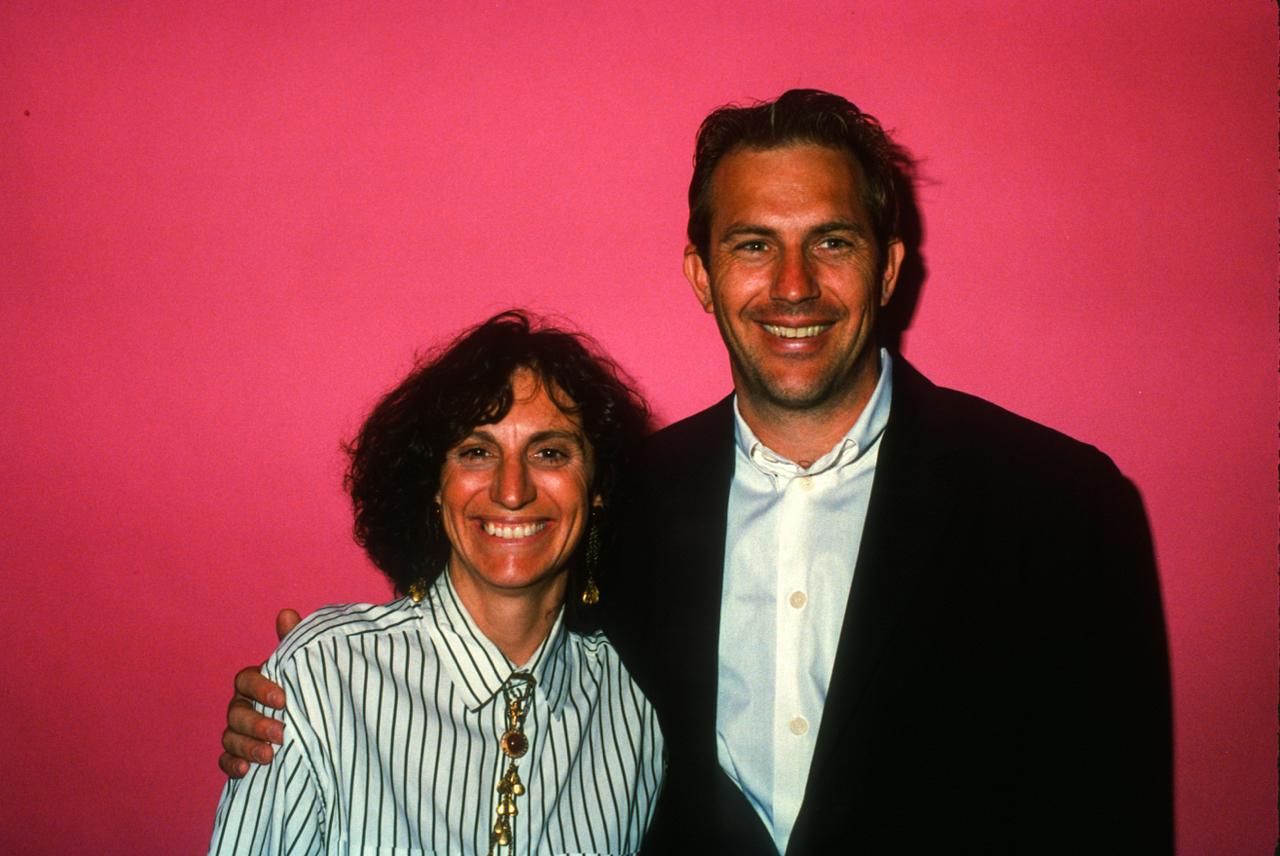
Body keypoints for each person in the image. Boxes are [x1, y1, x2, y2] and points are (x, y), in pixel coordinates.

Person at [221, 90, 1173, 854]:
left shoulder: (1062, 507)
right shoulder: (628, 500)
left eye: (831, 242)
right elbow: (506, 625)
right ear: (701, 275)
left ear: (886, 269)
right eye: (753, 245)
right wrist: (322, 688)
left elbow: (1112, 822)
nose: (792, 286)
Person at [209, 311, 663, 854]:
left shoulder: (641, 697)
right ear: (434, 483)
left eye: (549, 453)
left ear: (597, 485)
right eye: (477, 452)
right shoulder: (324, 674)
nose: (512, 490)